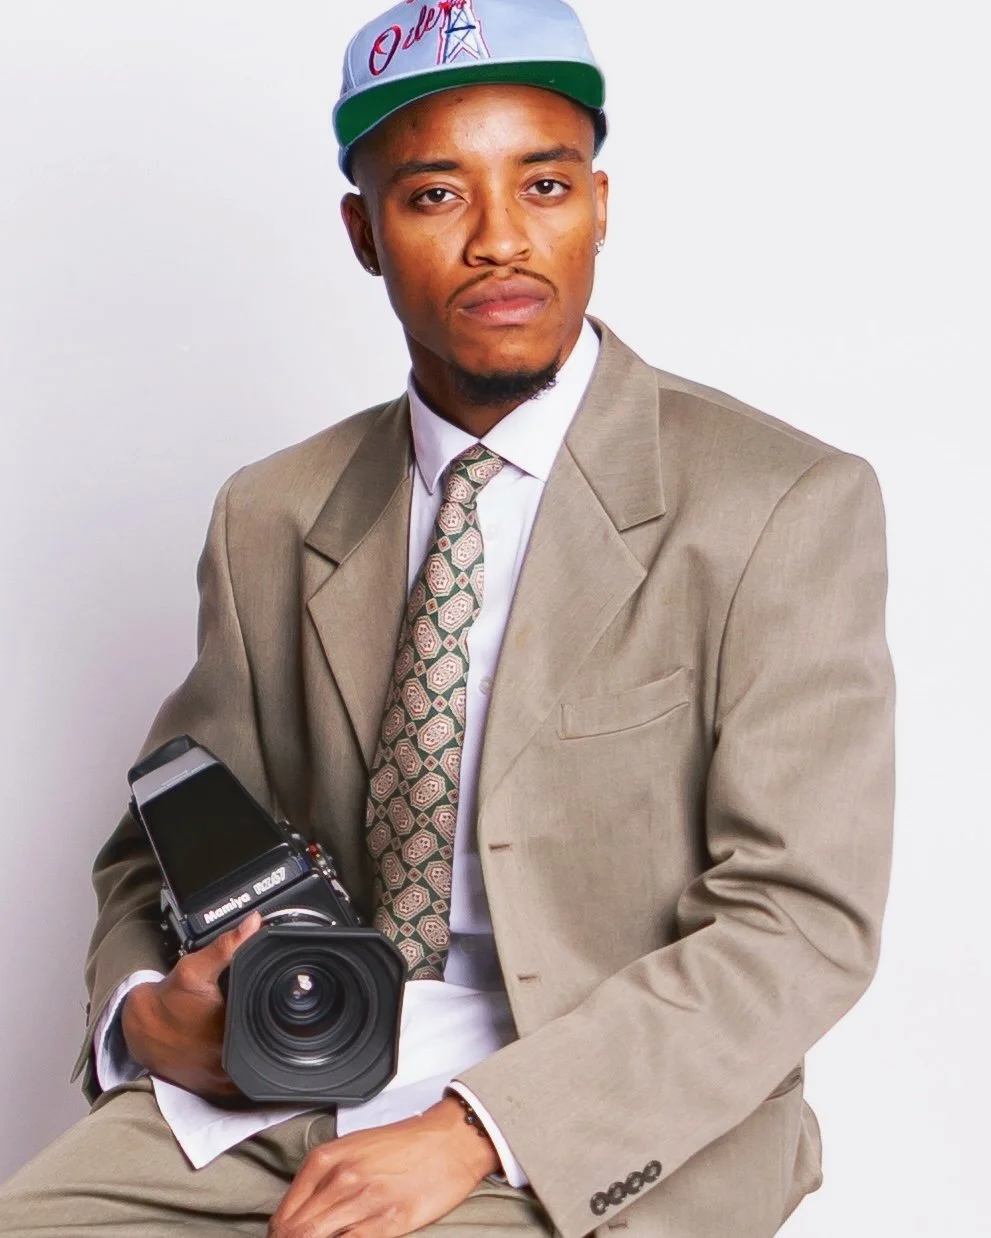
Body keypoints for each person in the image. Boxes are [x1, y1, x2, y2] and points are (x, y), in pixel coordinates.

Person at [0, 1, 895, 1235]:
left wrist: (480, 1125)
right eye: (434, 196)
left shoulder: (777, 502)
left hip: (595, 1113)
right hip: (292, 1079)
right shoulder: (273, 511)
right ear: (363, 232)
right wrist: (143, 1007)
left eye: (543, 185)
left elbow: (799, 920)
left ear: (598, 203)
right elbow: (163, 834)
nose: (499, 241)